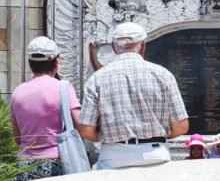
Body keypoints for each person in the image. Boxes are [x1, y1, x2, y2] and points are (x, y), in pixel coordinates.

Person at [77, 22, 190, 170]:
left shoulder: (96, 79)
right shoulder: (164, 75)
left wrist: (109, 136)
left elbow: (86, 129)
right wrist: (155, 134)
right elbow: (181, 126)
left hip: (113, 156)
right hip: (155, 155)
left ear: (113, 47)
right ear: (143, 46)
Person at [10, 36, 81, 181]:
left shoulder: (17, 92)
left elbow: (17, 137)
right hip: (57, 161)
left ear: (30, 63)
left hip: (24, 165)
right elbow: (80, 124)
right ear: (56, 62)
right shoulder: (63, 88)